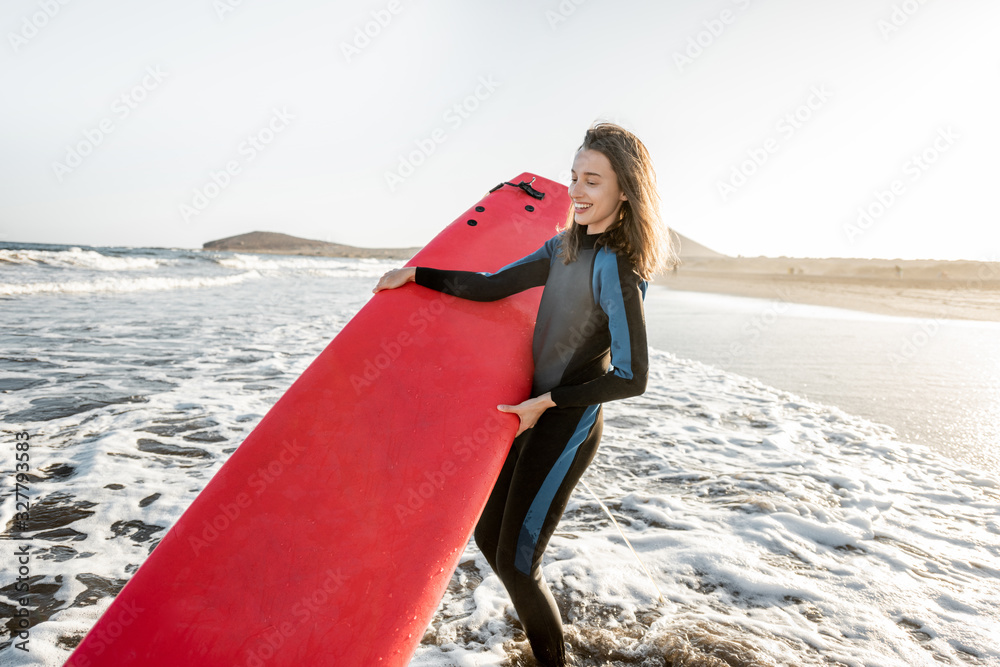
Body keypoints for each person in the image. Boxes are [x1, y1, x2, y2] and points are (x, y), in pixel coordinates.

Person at [373, 121, 678, 667]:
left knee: (517, 562)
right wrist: (416, 274)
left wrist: (548, 403)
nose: (578, 192)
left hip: (565, 422)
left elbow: (633, 377)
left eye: (594, 181)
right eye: (574, 178)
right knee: (491, 540)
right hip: (530, 413)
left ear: (624, 192)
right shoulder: (562, 248)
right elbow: (493, 284)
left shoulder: (619, 268)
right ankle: (550, 642)